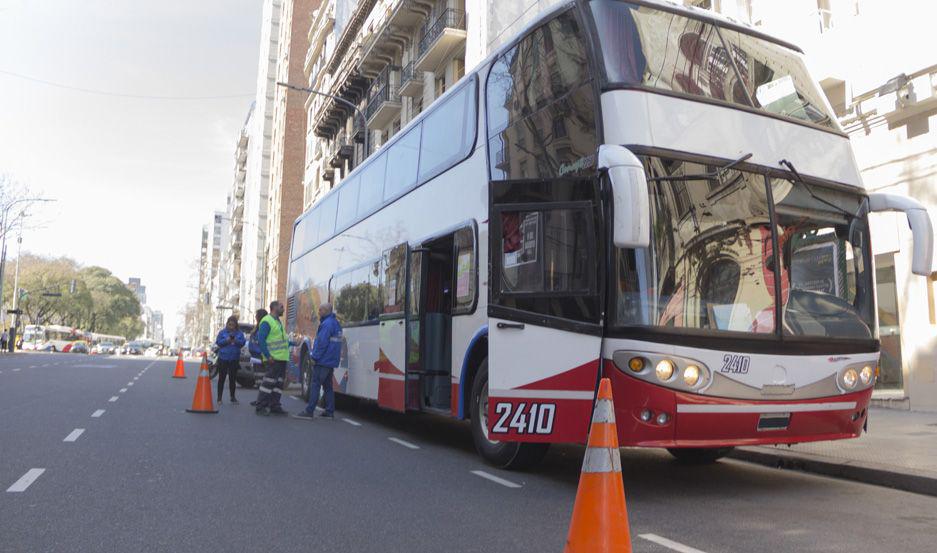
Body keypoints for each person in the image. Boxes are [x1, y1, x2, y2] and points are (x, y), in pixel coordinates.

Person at [293, 303, 342, 421]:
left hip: (323, 360)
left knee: (315, 384)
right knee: (328, 386)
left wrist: (315, 357)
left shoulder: (326, 324)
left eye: (320, 310)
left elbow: (322, 343)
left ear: (326, 311)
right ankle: (329, 412)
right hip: (330, 360)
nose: (318, 312)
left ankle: (309, 411)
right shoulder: (335, 323)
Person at [254, 300, 290, 416]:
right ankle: (260, 406)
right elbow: (261, 340)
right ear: (274, 308)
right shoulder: (267, 321)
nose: (283, 309)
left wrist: (294, 343)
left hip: (281, 359)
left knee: (278, 384)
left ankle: (274, 405)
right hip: (273, 359)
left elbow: (282, 341)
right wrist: (268, 356)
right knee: (268, 383)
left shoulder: (278, 322)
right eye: (281, 307)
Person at [214, 316, 246, 404]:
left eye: (233, 325)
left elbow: (242, 343)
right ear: (227, 324)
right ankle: (219, 398)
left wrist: (235, 340)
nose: (231, 326)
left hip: (234, 358)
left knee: (233, 379)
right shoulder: (222, 332)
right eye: (229, 324)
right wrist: (226, 340)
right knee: (222, 378)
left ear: (236, 325)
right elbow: (218, 343)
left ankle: (232, 397)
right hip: (223, 358)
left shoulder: (239, 333)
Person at [248, 308, 268, 407]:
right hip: (255, 358)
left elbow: (262, 343)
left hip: (261, 357)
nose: (255, 317)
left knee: (262, 380)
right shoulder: (257, 328)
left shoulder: (263, 327)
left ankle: (262, 400)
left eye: (256, 316)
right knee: (258, 380)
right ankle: (260, 399)